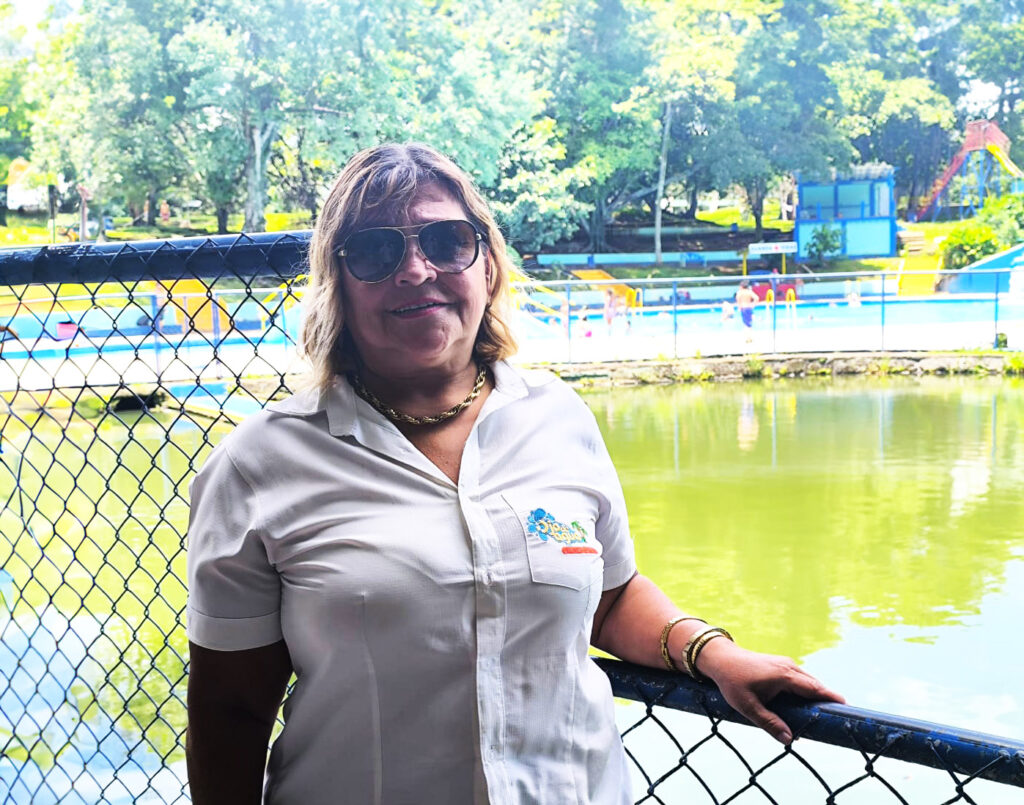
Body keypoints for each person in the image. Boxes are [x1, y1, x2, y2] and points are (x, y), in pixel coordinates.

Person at [185, 143, 843, 805]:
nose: (416, 270)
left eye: (447, 240)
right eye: (377, 251)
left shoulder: (559, 417)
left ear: (489, 264)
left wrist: (714, 654)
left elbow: (609, 597)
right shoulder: (261, 463)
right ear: (338, 284)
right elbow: (231, 709)